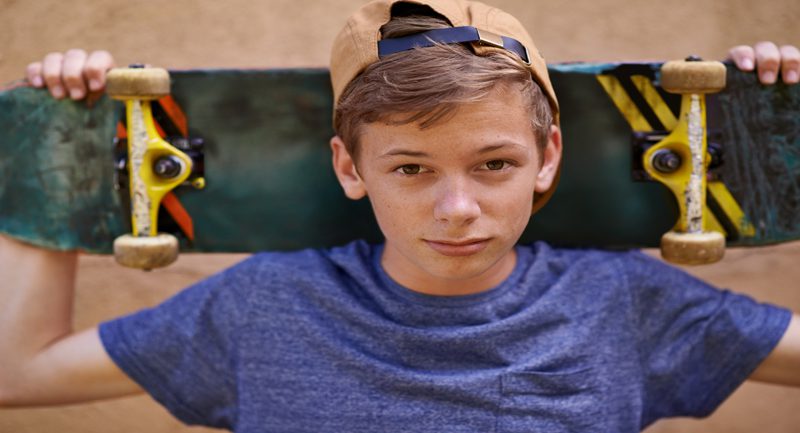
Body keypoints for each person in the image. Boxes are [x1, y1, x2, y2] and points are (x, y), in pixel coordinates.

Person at [1, 0, 798, 431]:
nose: (458, 209)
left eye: (495, 164)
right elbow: (18, 375)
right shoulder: (263, 306)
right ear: (350, 167)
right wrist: (56, 156)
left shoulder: (627, 302)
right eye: (411, 169)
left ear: (547, 158)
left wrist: (787, 143)